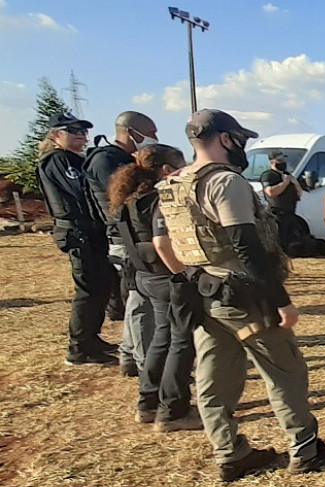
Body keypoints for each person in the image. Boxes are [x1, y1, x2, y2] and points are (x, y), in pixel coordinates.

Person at [156, 109, 325, 481]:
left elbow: (164, 243)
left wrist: (190, 278)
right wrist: (280, 300)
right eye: (239, 138)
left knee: (214, 379)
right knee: (285, 373)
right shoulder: (224, 182)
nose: (243, 146)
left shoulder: (175, 184)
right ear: (226, 139)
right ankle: (305, 450)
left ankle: (229, 452)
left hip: (206, 293)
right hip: (245, 296)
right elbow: (246, 245)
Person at [108, 144, 203, 433]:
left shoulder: (129, 200)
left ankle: (148, 402)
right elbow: (162, 243)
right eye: (181, 164)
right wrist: (184, 275)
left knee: (162, 338)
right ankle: (173, 410)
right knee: (181, 342)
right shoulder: (162, 199)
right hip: (167, 279)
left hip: (145, 278)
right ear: (166, 170)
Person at [36, 113, 117, 365]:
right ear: (55, 135)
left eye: (83, 131)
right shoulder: (58, 160)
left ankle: (91, 338)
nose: (81, 135)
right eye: (73, 131)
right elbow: (81, 191)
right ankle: (79, 347)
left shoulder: (73, 159)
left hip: (91, 231)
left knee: (101, 286)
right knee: (88, 289)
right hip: (78, 231)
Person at [84, 111, 159, 376]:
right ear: (131, 132)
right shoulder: (106, 161)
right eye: (150, 133)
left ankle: (129, 356)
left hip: (132, 237)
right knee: (141, 304)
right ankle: (144, 363)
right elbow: (122, 201)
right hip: (124, 238)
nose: (153, 138)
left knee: (138, 302)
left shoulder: (120, 159)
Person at [260, 151, 303, 252]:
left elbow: (299, 193)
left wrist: (295, 183)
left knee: (291, 243)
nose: (282, 162)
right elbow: (270, 192)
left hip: (290, 213)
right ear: (272, 162)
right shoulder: (268, 175)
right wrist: (285, 183)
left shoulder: (288, 175)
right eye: (279, 160)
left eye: (283, 160)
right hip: (277, 214)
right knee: (279, 243)